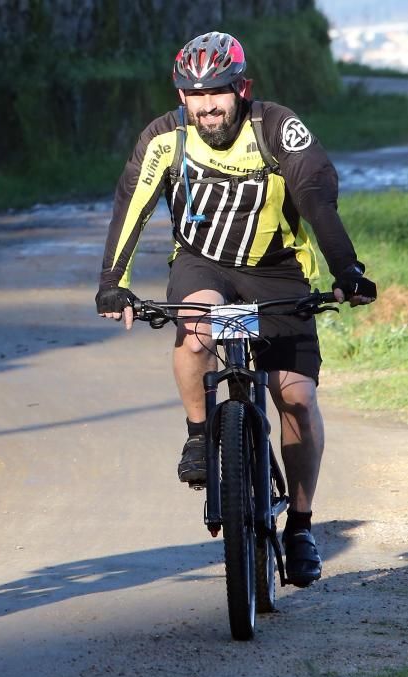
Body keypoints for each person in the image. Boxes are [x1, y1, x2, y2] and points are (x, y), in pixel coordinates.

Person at [95, 31, 375, 587]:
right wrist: (112, 283)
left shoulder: (275, 127)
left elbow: (316, 194)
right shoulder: (165, 138)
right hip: (204, 263)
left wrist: (346, 269)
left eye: (217, 93)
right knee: (195, 325)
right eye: (194, 96)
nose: (206, 107)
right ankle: (199, 437)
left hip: (277, 269)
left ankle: (299, 526)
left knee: (295, 398)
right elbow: (134, 202)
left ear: (241, 88)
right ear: (181, 97)